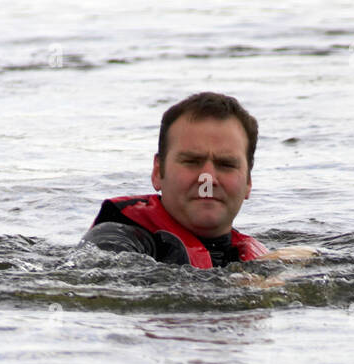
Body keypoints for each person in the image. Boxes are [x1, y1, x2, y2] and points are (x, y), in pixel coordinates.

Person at [82, 91, 312, 268]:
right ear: (157, 172)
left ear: (248, 183)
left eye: (226, 165)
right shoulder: (113, 241)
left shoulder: (261, 258)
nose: (208, 179)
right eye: (191, 161)